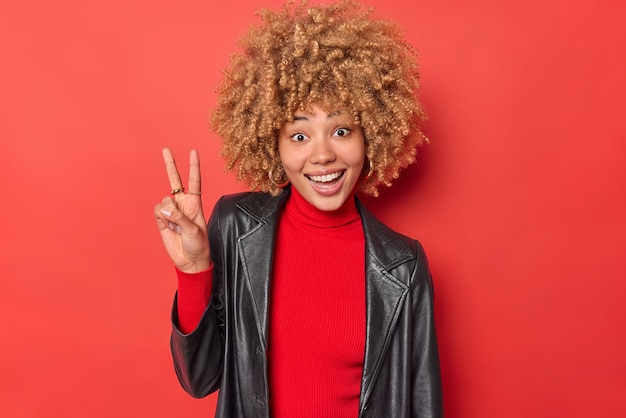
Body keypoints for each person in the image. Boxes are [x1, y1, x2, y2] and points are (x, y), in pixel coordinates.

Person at [154, 0, 443, 416]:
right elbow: (199, 380)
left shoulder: (402, 265)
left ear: (371, 137)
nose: (322, 155)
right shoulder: (236, 228)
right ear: (273, 144)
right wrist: (195, 271)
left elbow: (422, 403)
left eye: (341, 130)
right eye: (300, 136)